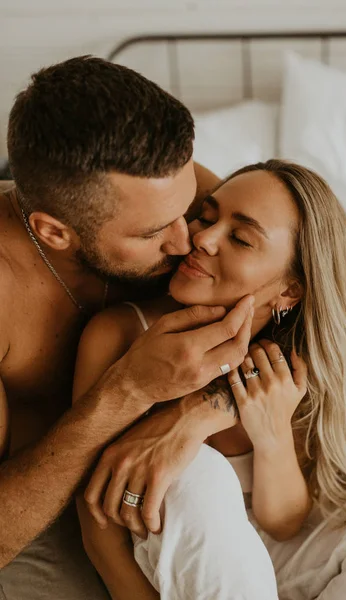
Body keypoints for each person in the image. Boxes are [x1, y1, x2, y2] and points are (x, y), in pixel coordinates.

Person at [72, 159, 346, 599]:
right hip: (161, 580)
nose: (202, 238)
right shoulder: (117, 336)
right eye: (207, 217)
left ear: (290, 289)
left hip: (278, 567)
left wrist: (270, 434)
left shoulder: (288, 366)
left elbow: (284, 522)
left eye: (240, 238)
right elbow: (98, 531)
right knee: (199, 472)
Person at [0, 56, 255, 599]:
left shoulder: (167, 196)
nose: (189, 242)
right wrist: (130, 391)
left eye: (190, 209)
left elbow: (302, 292)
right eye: (153, 234)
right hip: (29, 524)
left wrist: (196, 413)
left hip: (173, 476)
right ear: (54, 232)